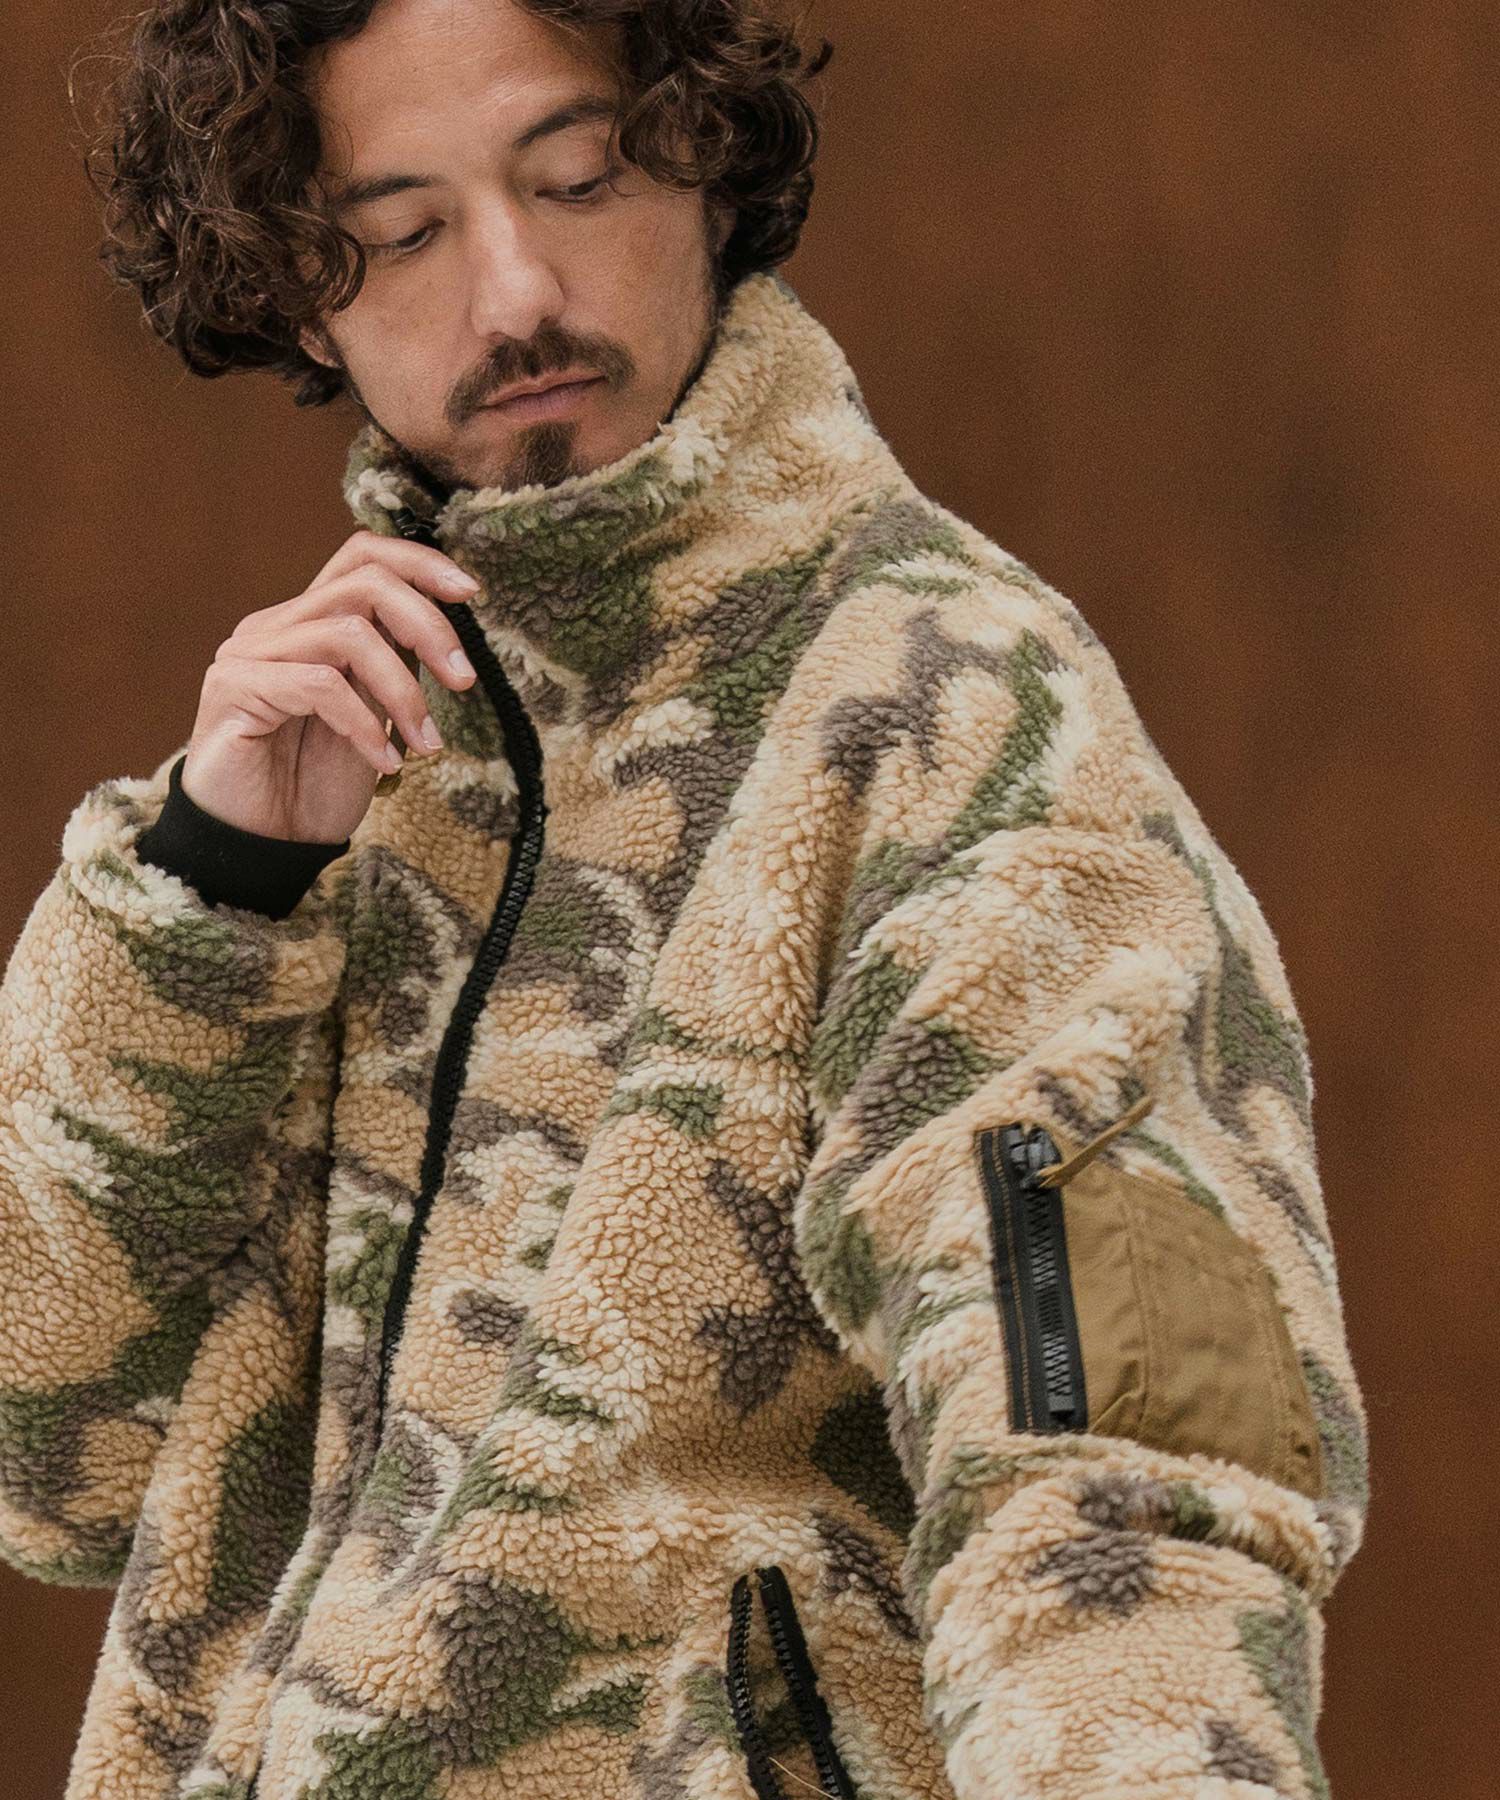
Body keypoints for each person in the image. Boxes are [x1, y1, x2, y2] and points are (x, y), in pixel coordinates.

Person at [1, 3, 1370, 1797]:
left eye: (581, 180)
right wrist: (211, 889)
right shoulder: (333, 771)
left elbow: (1123, 1479)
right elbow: (51, 1467)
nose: (515, 294)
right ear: (301, 293)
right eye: (402, 232)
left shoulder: (950, 712)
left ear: (709, 169)